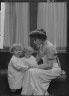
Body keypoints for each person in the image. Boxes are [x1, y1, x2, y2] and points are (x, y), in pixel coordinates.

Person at [21, 29, 66, 96]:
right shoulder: (41, 45)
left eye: (35, 39)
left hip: (53, 69)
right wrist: (28, 65)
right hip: (46, 67)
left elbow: (49, 65)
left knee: (32, 72)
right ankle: (28, 93)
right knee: (28, 71)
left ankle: (37, 93)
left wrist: (34, 66)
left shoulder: (50, 47)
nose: (33, 42)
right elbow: (37, 58)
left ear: (41, 39)